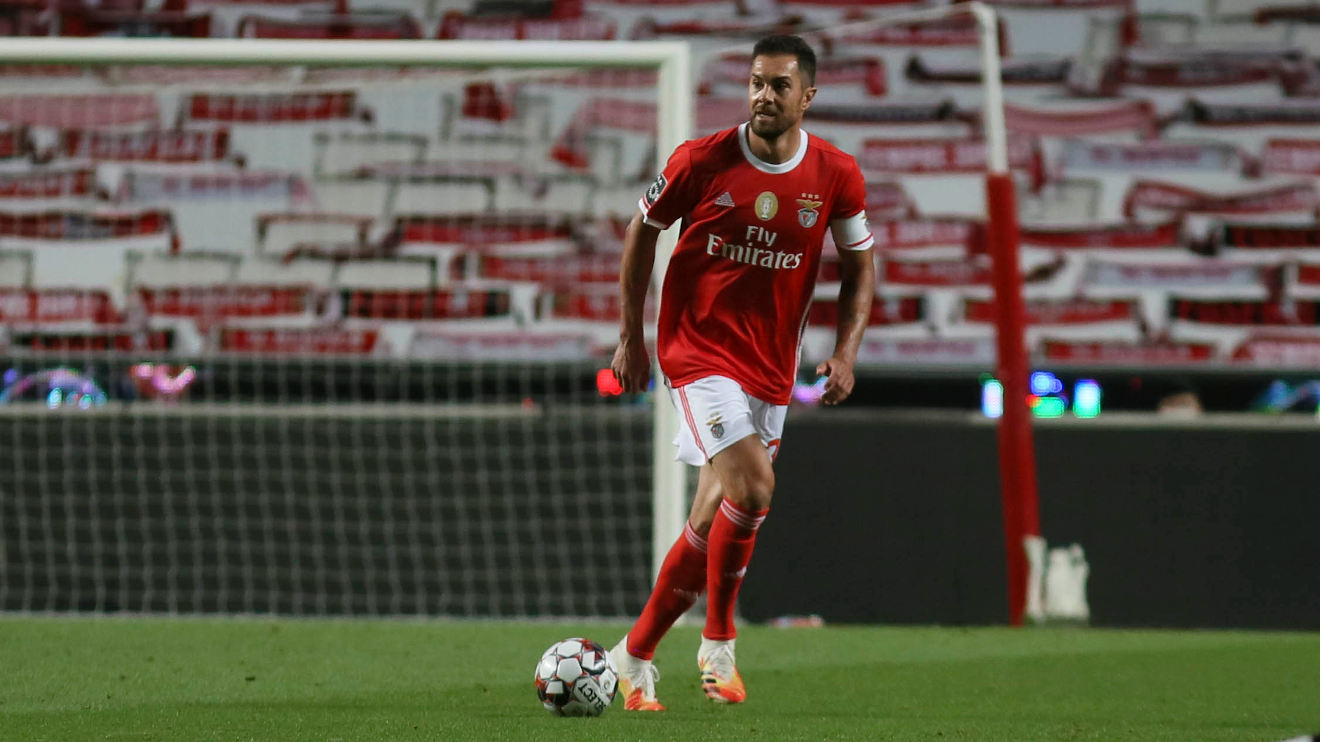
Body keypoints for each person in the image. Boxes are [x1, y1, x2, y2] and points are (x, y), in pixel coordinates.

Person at [608, 34, 876, 711]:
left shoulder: (836, 175)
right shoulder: (700, 160)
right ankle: (719, 643)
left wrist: (846, 353)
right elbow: (642, 230)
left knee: (709, 521)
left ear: (807, 96)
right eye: (757, 81)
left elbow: (861, 265)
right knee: (755, 488)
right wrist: (630, 339)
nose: (763, 94)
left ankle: (632, 659)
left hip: (770, 365)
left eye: (779, 85)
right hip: (697, 351)